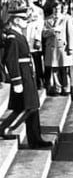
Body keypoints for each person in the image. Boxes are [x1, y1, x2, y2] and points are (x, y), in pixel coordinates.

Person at [0, 8, 52, 148]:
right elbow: (11, 60)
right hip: (22, 76)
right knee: (30, 107)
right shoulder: (12, 37)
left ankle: (35, 138)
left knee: (27, 107)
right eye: (23, 19)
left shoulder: (18, 35)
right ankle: (10, 130)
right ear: (16, 21)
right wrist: (16, 80)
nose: (25, 22)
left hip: (27, 74)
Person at [42, 1, 73, 95]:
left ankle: (66, 88)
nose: (56, 10)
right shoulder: (47, 19)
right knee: (55, 69)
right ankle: (58, 88)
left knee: (65, 69)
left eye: (58, 9)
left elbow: (71, 34)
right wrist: (51, 31)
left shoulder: (67, 19)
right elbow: (44, 33)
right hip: (52, 47)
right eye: (55, 9)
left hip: (63, 48)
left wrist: (71, 48)